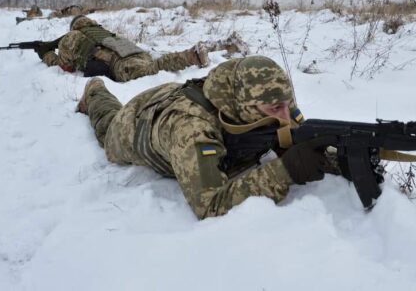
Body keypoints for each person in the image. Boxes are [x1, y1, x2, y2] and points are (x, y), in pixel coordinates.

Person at [76, 55, 334, 219]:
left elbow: (299, 137)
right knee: (107, 119)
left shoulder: (272, 102)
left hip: (175, 96)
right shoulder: (192, 129)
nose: (288, 116)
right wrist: (285, 171)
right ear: (245, 108)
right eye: (277, 109)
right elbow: (209, 204)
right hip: (133, 124)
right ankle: (95, 90)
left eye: (288, 104)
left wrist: (339, 153)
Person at [35, 15, 209, 81]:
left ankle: (192, 56)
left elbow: (65, 66)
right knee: (153, 64)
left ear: (74, 27)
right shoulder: (100, 31)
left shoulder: (71, 38)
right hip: (138, 53)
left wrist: (46, 55)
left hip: (121, 63)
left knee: (152, 70)